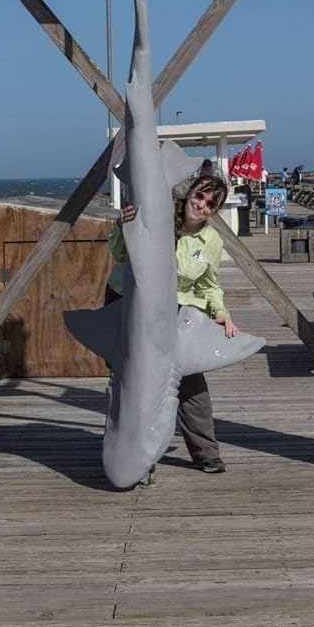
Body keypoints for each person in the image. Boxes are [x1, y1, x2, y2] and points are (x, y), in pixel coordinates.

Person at [105, 172, 236, 474]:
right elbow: (119, 253)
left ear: (215, 211)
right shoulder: (158, 217)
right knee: (127, 382)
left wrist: (221, 312)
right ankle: (128, 455)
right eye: (200, 196)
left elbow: (208, 284)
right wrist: (121, 225)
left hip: (174, 312)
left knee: (190, 381)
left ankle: (206, 452)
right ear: (190, 192)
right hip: (128, 302)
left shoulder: (211, 240)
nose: (202, 205)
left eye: (210, 204)